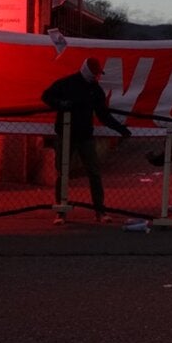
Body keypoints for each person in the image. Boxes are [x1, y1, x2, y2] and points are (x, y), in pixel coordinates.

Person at [41, 57, 132, 224]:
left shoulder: (93, 89)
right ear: (88, 71)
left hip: (82, 135)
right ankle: (64, 211)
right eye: (95, 73)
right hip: (67, 134)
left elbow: (103, 115)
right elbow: (46, 96)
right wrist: (61, 104)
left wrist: (120, 129)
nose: (97, 77)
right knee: (66, 172)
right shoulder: (69, 84)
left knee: (91, 172)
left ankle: (96, 210)